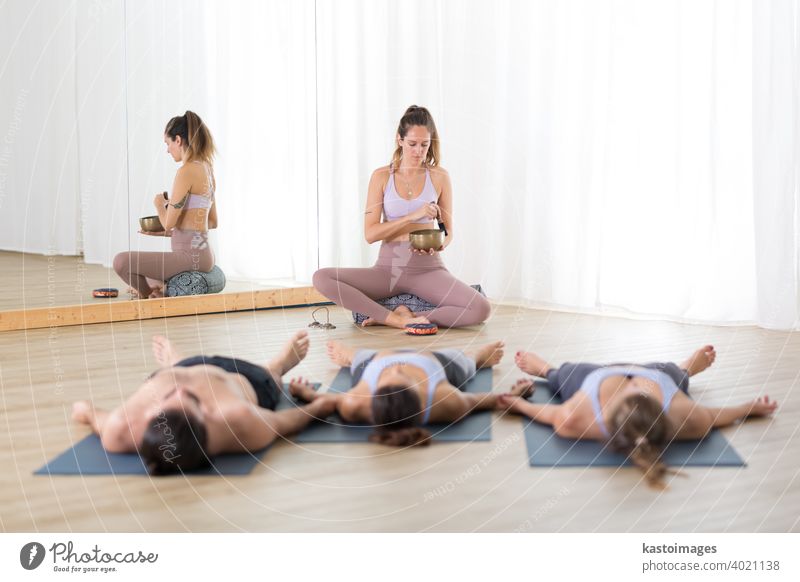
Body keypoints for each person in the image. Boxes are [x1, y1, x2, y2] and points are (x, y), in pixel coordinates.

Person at [498, 345, 779, 488]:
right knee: (675, 375)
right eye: (637, 389)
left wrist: (519, 406)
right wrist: (747, 409)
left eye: (632, 388)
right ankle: (686, 367)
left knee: (563, 376)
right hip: (658, 375)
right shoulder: (686, 418)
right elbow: (716, 415)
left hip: (596, 378)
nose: (631, 380)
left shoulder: (577, 418)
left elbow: (548, 413)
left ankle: (547, 368)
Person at [312, 105, 491, 329]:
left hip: (428, 268)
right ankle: (393, 318)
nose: (418, 151)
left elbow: (448, 231)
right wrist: (413, 217)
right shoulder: (381, 176)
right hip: (387, 271)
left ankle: (409, 315)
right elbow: (370, 234)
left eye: (425, 145)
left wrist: (440, 244)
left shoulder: (439, 176)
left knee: (481, 308)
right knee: (321, 277)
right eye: (412, 144)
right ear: (400, 140)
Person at [71, 330, 337, 475]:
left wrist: (86, 411)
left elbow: (95, 418)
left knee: (178, 373)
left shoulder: (120, 430)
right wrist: (321, 407)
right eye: (187, 398)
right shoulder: (241, 422)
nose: (181, 391)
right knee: (271, 379)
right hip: (243, 376)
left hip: (183, 367)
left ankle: (177, 362)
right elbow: (286, 422)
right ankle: (278, 366)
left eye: (175, 398)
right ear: (207, 417)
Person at [288, 340, 516, 446]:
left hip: (374, 360)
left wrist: (307, 394)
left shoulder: (356, 403)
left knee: (360, 359)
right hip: (439, 363)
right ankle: (476, 357)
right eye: (401, 376)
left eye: (390, 377)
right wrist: (516, 394)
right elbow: (483, 401)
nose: (396, 367)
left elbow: (331, 401)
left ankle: (351, 355)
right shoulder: (446, 402)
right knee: (464, 365)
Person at [113, 110, 218, 299]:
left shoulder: (185, 171)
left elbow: (169, 222)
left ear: (178, 140)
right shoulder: (207, 168)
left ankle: (145, 292)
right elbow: (211, 222)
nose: (167, 149)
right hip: (205, 256)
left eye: (168, 143)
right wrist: (164, 232)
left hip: (188, 257)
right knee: (149, 274)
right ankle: (157, 286)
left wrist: (160, 204)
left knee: (121, 262)